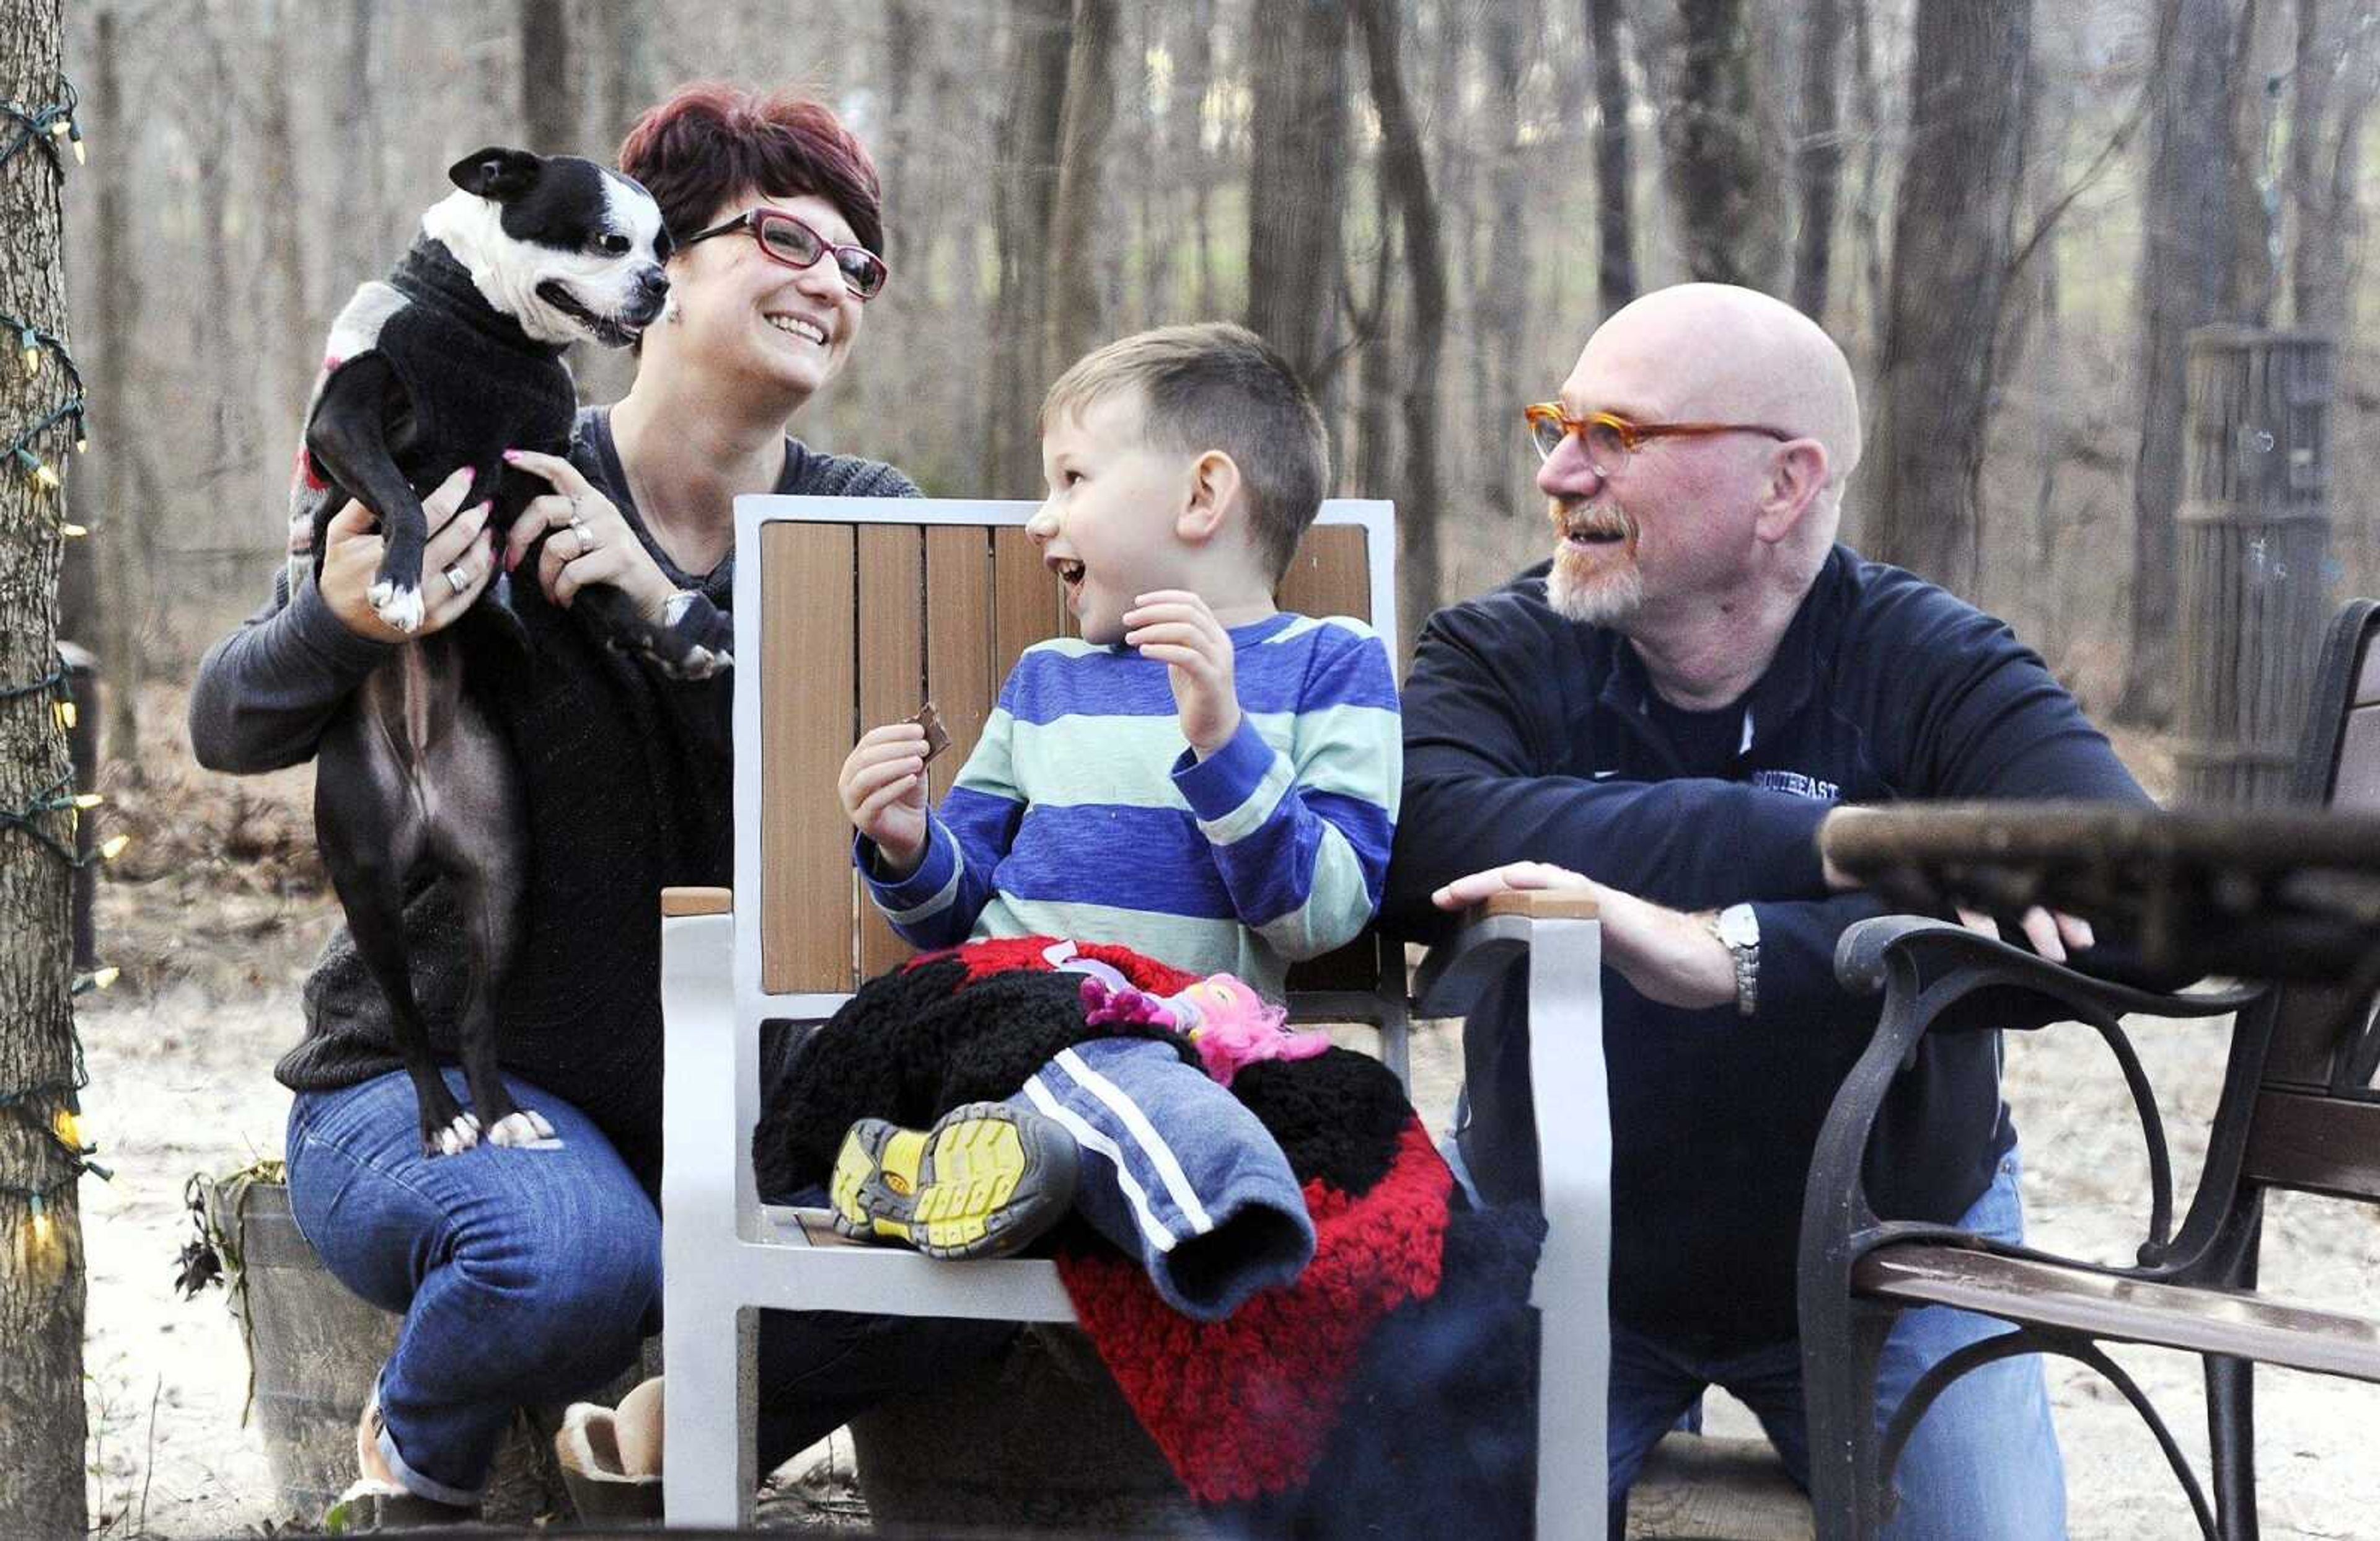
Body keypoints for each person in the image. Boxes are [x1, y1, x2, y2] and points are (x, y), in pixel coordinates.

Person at [189, 82, 940, 1523]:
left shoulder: (865, 518)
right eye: (783, 236)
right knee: (567, 1260)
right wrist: (346, 619)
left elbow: (874, 820)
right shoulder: (483, 450)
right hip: (446, 1095)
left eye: (858, 264)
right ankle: (412, 1467)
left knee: (972, 1243)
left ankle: (651, 1454)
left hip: (743, 1110)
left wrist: (670, 612)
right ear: (644, 257)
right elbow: (232, 717)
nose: (827, 283)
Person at [1382, 282, 2130, 1539]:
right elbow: (1425, 837)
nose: (1561, 472)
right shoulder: (1497, 652)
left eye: (1618, 435)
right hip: (1560, 1255)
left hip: (1895, 1256)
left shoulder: (1931, 661)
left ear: (1784, 485)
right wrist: (1845, 845)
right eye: (1558, 426)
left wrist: (1734, 949)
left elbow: (2132, 894)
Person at [829, 320, 1402, 1315]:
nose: (1039, 521)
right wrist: (909, 844)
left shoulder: (1329, 663)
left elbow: (1322, 917)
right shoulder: (1047, 680)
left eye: (1073, 480)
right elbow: (959, 920)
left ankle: (951, 1171)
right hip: (1009, 1012)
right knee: (1121, 1068)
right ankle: (1233, 1235)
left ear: (1202, 495)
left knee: (1345, 1126)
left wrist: (1227, 748)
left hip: (1184, 1046)